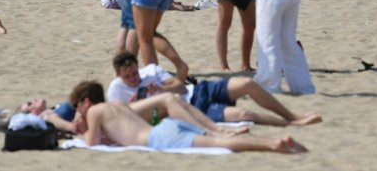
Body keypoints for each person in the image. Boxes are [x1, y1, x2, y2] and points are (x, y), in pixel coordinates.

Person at [69, 81, 308, 152]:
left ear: (86, 103)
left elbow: (93, 143)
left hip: (158, 138)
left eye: (77, 108)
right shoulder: (118, 104)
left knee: (220, 143)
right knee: (218, 139)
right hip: (168, 125)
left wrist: (80, 128)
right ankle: (270, 141)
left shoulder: (94, 113)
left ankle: (272, 144)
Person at [108, 53, 321, 127]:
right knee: (243, 114)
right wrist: (137, 103)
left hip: (198, 92)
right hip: (190, 110)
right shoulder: (116, 91)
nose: (134, 78)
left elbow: (181, 86)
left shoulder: (150, 72)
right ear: (118, 75)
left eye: (135, 72)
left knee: (247, 84)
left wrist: (162, 87)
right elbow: (122, 119)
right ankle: (287, 124)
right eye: (128, 76)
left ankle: (292, 116)